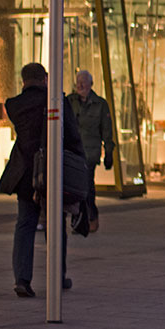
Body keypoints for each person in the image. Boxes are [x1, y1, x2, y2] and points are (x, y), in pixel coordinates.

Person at [5, 63, 83, 297]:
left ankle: (22, 278)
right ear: (45, 79)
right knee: (55, 224)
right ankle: (57, 275)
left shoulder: (15, 105)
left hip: (24, 173)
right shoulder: (55, 101)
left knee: (25, 223)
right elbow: (71, 133)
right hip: (52, 169)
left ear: (23, 81)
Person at [67, 69, 113, 227]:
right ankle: (78, 217)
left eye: (83, 82)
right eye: (78, 82)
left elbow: (107, 131)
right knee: (73, 186)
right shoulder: (69, 101)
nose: (80, 85)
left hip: (89, 153)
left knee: (86, 185)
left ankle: (90, 215)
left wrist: (109, 153)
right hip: (72, 153)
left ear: (91, 84)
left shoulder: (100, 105)